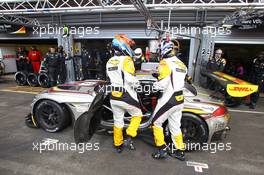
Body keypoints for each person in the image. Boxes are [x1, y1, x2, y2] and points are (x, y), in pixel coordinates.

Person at [106, 34, 143, 153]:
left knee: (118, 121)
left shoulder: (110, 61)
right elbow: (130, 79)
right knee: (137, 114)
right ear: (123, 46)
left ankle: (118, 145)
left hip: (113, 96)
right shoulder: (127, 60)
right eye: (128, 45)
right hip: (126, 96)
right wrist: (138, 86)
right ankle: (130, 135)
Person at [151, 40, 187, 161]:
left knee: (156, 122)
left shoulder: (165, 62)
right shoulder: (182, 64)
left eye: (160, 50)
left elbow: (163, 84)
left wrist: (155, 85)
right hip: (180, 98)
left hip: (169, 98)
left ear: (165, 50)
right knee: (175, 126)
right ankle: (180, 151)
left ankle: (162, 149)